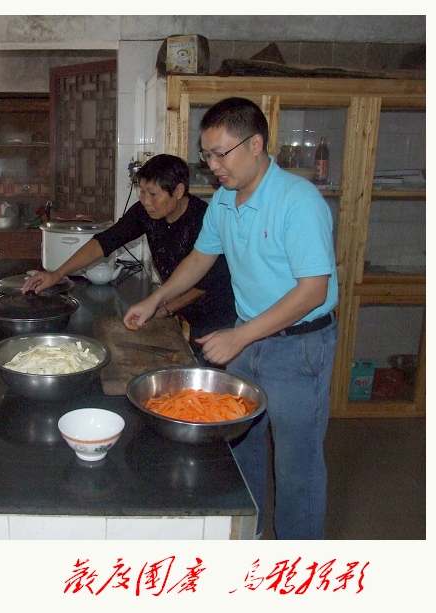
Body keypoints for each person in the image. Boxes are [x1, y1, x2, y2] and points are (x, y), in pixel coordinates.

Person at [123, 97, 339, 540]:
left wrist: (239, 337)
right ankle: (248, 538)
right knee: (241, 450)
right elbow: (200, 258)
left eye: (221, 154)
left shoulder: (298, 201)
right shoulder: (224, 201)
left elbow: (313, 291)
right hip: (248, 336)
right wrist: (157, 299)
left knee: (296, 465)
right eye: (207, 155)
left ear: (255, 144)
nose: (213, 166)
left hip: (299, 347)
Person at [23, 154, 236, 361]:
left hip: (218, 314)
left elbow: (206, 282)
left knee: (209, 368)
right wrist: (57, 274)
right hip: (181, 307)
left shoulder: (204, 219)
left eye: (153, 194)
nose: (146, 201)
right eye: (141, 192)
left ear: (179, 191)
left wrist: (164, 308)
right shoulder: (146, 212)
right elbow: (106, 241)